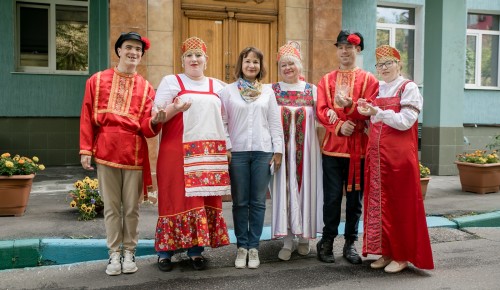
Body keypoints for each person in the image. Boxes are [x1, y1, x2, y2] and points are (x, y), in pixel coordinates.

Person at [80, 32, 167, 276]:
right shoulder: (96, 81)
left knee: (131, 208)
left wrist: (157, 121)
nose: (133, 53)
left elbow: (147, 128)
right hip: (105, 149)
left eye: (138, 50)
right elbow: (87, 116)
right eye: (129, 47)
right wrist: (86, 149)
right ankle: (113, 254)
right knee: (111, 208)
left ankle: (129, 251)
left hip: (134, 153)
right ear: (118, 50)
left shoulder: (147, 88)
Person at [154, 36, 231, 272]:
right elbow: (157, 116)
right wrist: (174, 108)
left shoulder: (219, 87)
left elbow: (227, 121)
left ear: (206, 60)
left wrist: (227, 148)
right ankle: (165, 252)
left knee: (201, 200)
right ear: (182, 60)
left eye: (199, 55)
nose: (194, 59)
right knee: (173, 198)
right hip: (176, 151)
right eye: (189, 55)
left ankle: (196, 251)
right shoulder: (171, 82)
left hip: (207, 154)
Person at [357, 45, 434, 273]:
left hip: (399, 160)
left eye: (389, 63)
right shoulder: (378, 88)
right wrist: (358, 107)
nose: (384, 68)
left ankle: (402, 256)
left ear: (399, 64)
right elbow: (370, 115)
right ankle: (385, 252)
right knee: (381, 205)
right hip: (378, 159)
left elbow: (406, 121)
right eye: (380, 65)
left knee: (400, 207)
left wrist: (377, 113)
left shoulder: (407, 87)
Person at [315, 30, 379, 264]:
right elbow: (321, 109)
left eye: (349, 47)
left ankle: (350, 243)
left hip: (359, 149)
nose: (344, 51)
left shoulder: (369, 80)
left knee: (354, 200)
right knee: (331, 198)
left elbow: (369, 107)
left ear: (358, 50)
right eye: (341, 47)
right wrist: (340, 126)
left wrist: (352, 109)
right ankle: (328, 241)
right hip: (333, 148)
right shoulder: (326, 80)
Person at [219, 47, 284, 269]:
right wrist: (227, 147)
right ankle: (242, 247)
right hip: (237, 152)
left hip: (262, 151)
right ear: (241, 64)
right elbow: (223, 122)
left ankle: (254, 248)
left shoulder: (268, 92)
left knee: (257, 202)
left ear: (260, 66)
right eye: (248, 61)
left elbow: (275, 122)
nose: (251, 65)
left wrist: (278, 151)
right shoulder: (228, 91)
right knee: (240, 202)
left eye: (256, 62)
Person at [269, 44, 323, 261]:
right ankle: (288, 240)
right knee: (284, 190)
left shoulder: (312, 90)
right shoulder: (271, 90)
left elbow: (322, 120)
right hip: (282, 153)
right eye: (283, 64)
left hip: (307, 153)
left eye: (291, 63)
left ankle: (304, 239)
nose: (288, 67)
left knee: (306, 189)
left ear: (299, 65)